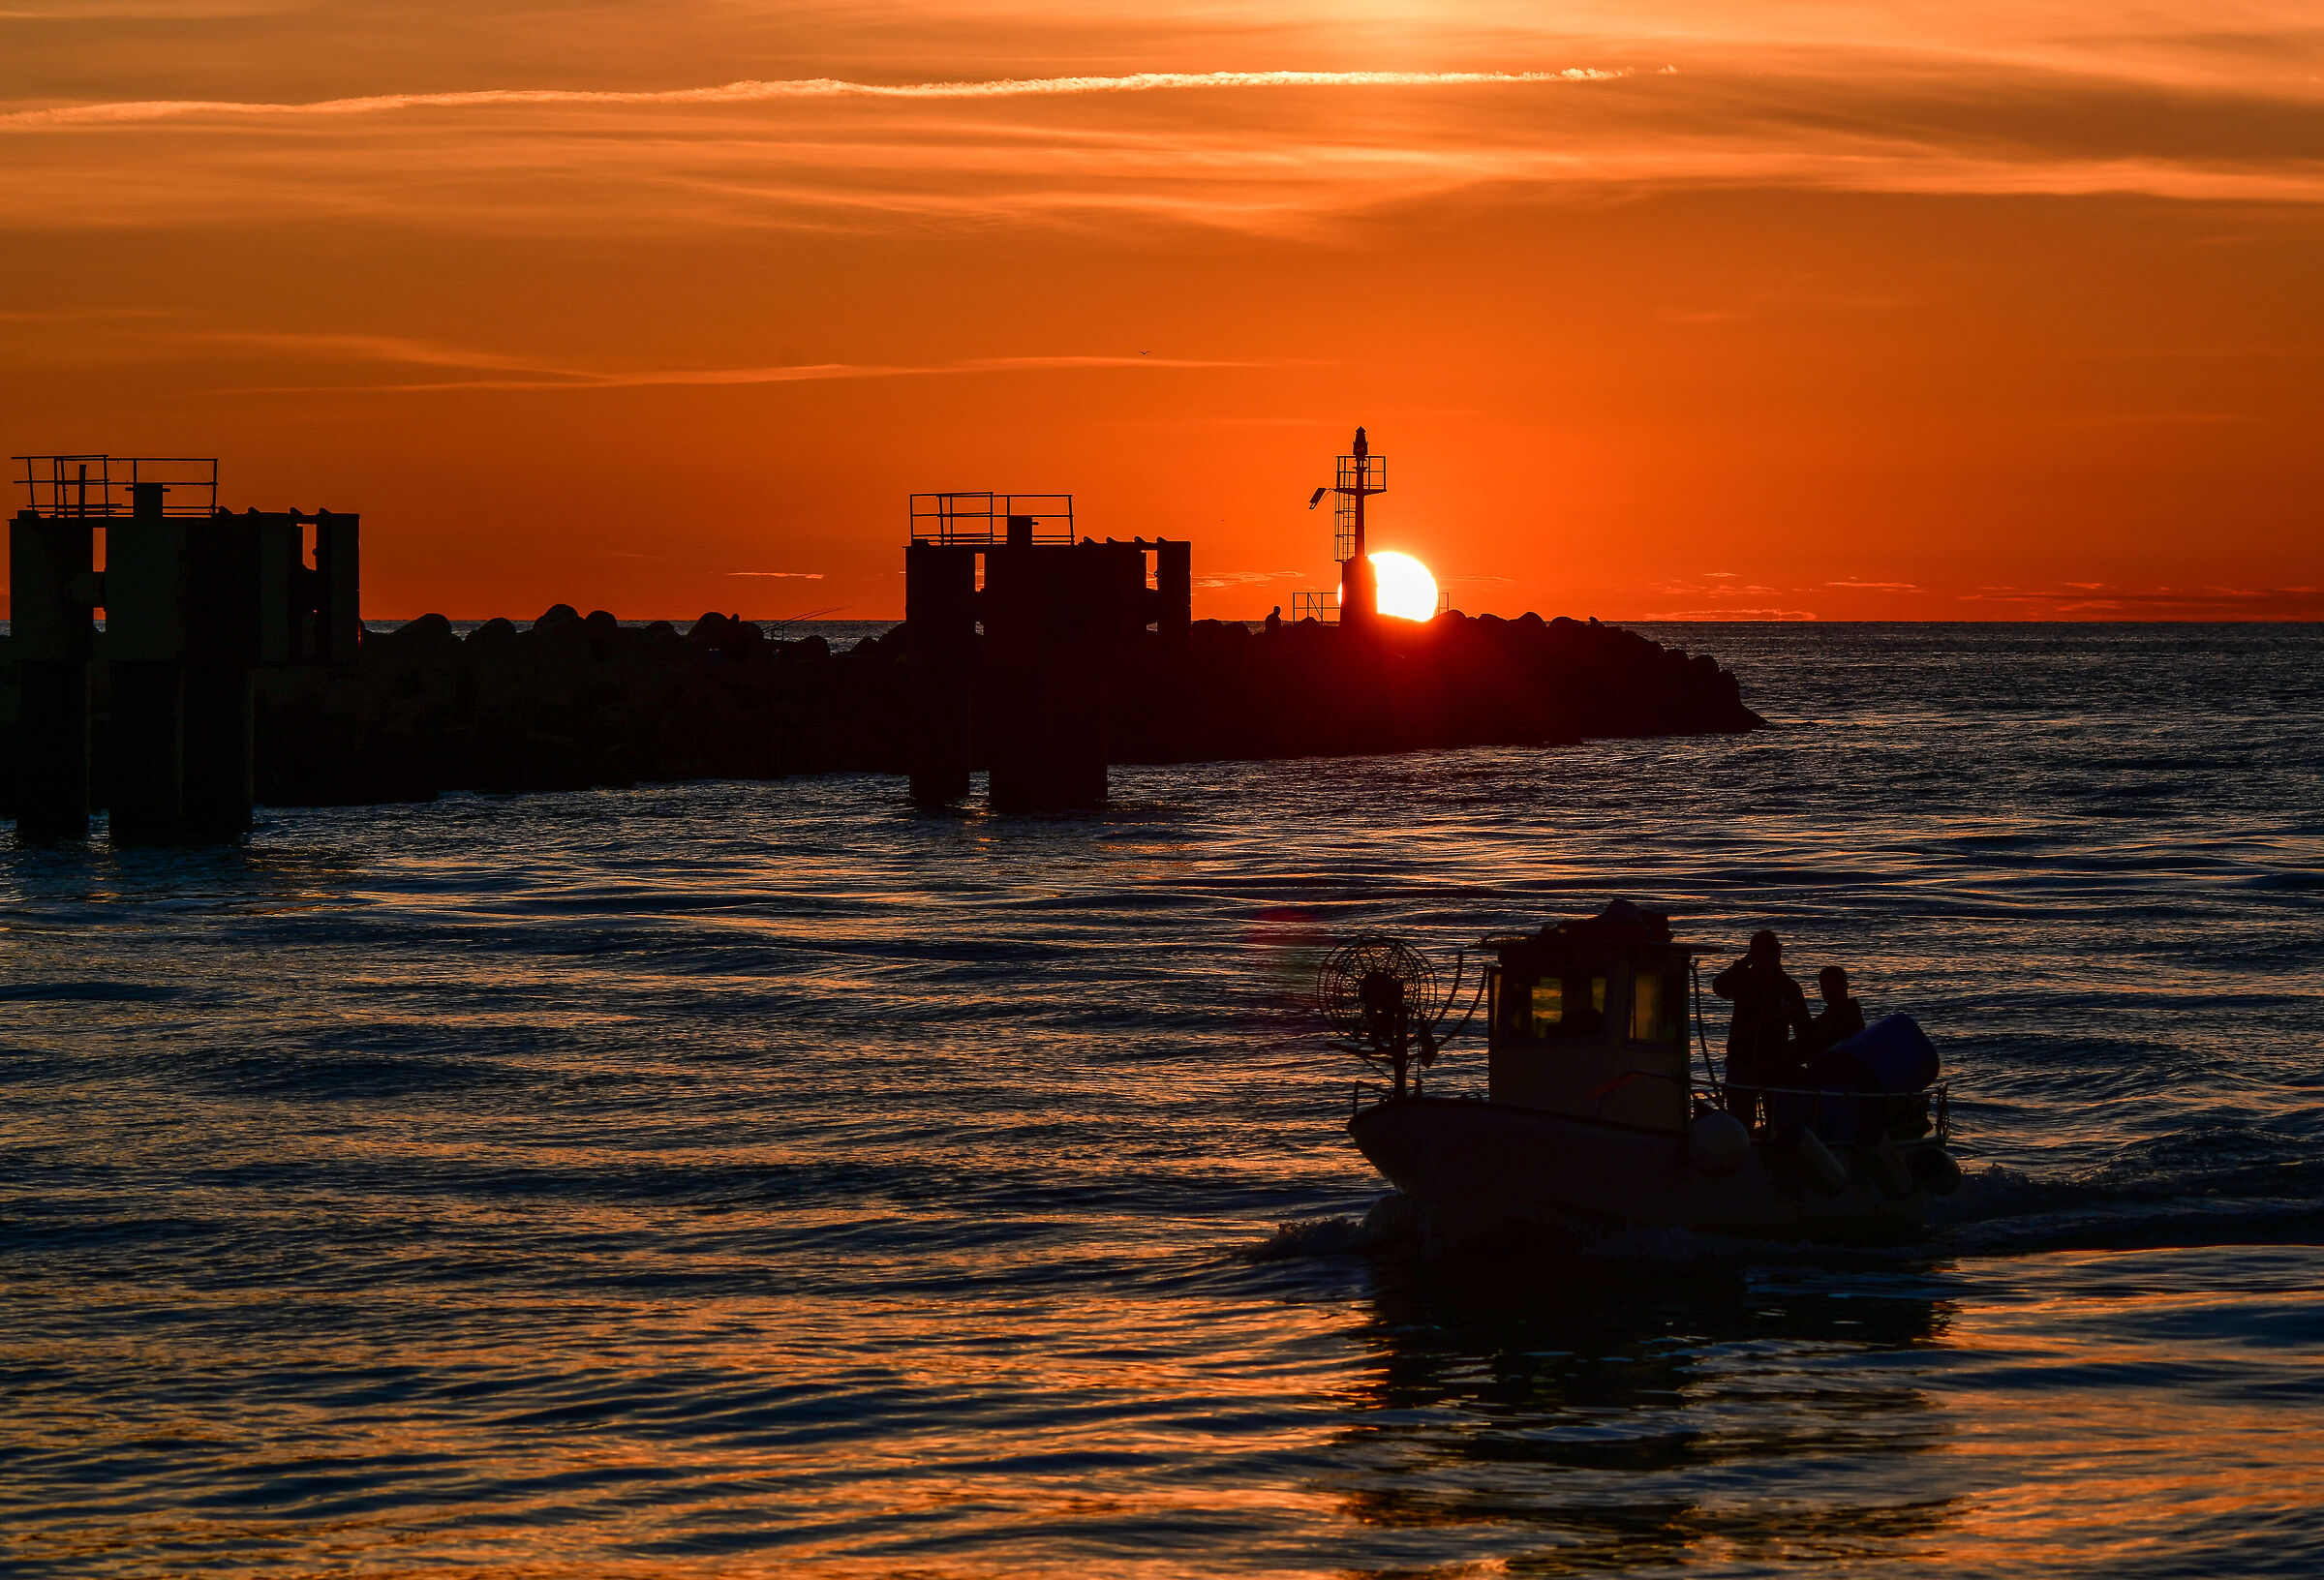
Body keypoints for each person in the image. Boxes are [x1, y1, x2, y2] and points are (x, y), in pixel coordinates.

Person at [1712, 929, 1811, 1126]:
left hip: (1773, 1065)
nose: (1771, 957)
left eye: (1773, 951)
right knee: (1739, 1123)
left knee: (1777, 1123)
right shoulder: (1743, 980)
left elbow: (1803, 1029)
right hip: (1741, 1062)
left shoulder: (1788, 987)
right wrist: (1743, 963)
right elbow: (1719, 987)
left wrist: (1783, 1059)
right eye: (1763, 952)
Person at [1800, 966, 1867, 1058]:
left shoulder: (1847, 1019)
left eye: (1833, 986)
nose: (1828, 992)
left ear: (1845, 986)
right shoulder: (1848, 1014)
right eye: (1824, 987)